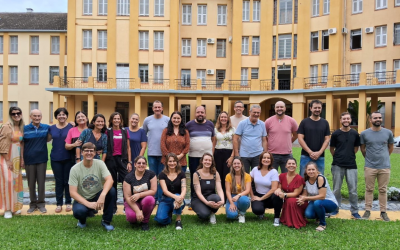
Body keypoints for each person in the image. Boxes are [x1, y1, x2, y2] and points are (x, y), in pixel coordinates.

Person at [69, 142, 116, 231]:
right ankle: (82, 221)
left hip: (97, 195)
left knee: (111, 191)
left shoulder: (100, 164)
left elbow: (110, 180)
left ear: (95, 153)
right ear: (82, 152)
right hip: (83, 197)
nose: (89, 153)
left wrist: (102, 196)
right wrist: (89, 204)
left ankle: (106, 221)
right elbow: (72, 193)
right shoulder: (74, 169)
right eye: (86, 151)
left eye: (91, 151)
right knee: (79, 212)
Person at [360, 111, 394, 222]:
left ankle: (383, 212)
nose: (378, 119)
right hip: (370, 166)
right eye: (375, 118)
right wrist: (370, 159)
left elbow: (390, 147)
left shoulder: (388, 133)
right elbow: (363, 149)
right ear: (370, 120)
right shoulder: (364, 133)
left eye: (379, 117)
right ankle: (367, 210)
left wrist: (384, 158)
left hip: (384, 166)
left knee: (383, 190)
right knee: (369, 189)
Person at [329, 112, 361, 219]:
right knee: (336, 189)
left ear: (350, 120)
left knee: (353, 190)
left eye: (348, 119)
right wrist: (339, 157)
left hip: (351, 165)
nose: (346, 120)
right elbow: (332, 148)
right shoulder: (336, 133)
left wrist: (349, 156)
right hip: (337, 164)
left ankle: (354, 211)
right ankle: (335, 208)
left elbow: (356, 148)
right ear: (340, 120)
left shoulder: (355, 134)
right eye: (344, 119)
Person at [23, 109, 50, 214]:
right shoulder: (24, 129)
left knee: (41, 182)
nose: (37, 118)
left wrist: (71, 123)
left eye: (39, 116)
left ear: (41, 117)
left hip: (42, 159)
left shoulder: (46, 128)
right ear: (30, 117)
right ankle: (33, 204)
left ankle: (41, 204)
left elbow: (59, 128)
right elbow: (21, 144)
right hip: (29, 160)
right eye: (34, 116)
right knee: (31, 183)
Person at [297, 162, 338, 232]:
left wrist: (306, 198)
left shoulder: (320, 178)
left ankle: (322, 224)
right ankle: (319, 217)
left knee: (318, 203)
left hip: (330, 202)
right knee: (309, 214)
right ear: (306, 171)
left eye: (313, 169)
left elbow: (322, 196)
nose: (311, 171)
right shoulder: (306, 181)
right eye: (309, 170)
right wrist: (301, 199)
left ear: (317, 170)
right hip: (316, 201)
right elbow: (305, 194)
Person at [142, 100, 170, 203]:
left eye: (159, 107)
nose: (157, 109)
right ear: (153, 108)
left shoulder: (168, 120)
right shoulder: (147, 120)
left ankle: (161, 197)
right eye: (155, 107)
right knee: (153, 177)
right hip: (152, 153)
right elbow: (143, 134)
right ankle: (153, 198)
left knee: (162, 176)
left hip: (164, 154)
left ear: (162, 108)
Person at [186, 106, 215, 201]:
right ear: (195, 113)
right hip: (193, 156)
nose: (200, 114)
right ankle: (194, 199)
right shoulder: (189, 125)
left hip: (207, 158)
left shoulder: (210, 124)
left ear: (205, 114)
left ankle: (209, 197)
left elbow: (213, 139)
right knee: (194, 177)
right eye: (198, 112)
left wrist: (212, 153)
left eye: (202, 112)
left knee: (208, 177)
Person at [105, 112, 132, 214]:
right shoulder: (108, 132)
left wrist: (129, 162)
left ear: (121, 120)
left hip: (122, 160)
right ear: (111, 120)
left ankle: (127, 206)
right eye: (114, 119)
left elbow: (128, 148)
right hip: (111, 160)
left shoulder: (125, 131)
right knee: (112, 184)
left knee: (126, 183)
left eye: (118, 118)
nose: (116, 120)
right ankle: (113, 207)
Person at [0, 107, 24, 218]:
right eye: (13, 113)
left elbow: (22, 144)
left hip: (17, 157)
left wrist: (22, 159)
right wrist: (7, 159)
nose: (16, 115)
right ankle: (7, 209)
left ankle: (15, 207)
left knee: (16, 182)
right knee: (7, 182)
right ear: (10, 115)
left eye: (18, 113)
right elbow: (2, 143)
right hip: (7, 157)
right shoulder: (6, 127)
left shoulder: (21, 126)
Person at [48, 108, 74, 213]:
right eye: (59, 115)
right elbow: (47, 139)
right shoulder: (51, 128)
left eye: (63, 114)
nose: (61, 116)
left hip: (68, 157)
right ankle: (59, 204)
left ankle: (68, 202)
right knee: (58, 181)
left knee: (67, 181)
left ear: (67, 116)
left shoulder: (71, 127)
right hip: (55, 158)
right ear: (56, 117)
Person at [297, 100, 330, 176]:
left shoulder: (325, 123)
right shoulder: (304, 122)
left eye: (319, 108)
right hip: (305, 156)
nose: (317, 110)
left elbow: (327, 139)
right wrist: (310, 152)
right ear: (310, 108)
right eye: (315, 108)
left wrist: (320, 152)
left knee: (319, 178)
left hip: (320, 156)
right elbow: (300, 138)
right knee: (303, 178)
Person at [123, 156, 157, 231]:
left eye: (143, 163)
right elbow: (127, 197)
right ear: (135, 164)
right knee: (132, 218)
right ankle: (135, 217)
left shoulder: (151, 174)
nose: (141, 165)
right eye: (139, 163)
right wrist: (137, 211)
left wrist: (139, 195)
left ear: (146, 165)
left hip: (145, 199)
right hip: (132, 201)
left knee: (150, 199)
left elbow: (153, 191)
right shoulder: (128, 177)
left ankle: (145, 222)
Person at [154, 153, 187, 230]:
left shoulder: (181, 173)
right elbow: (165, 191)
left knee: (178, 195)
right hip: (165, 199)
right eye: (170, 161)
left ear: (177, 162)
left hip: (179, 199)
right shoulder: (162, 174)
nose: (172, 163)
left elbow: (184, 188)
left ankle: (178, 220)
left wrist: (180, 197)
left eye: (174, 161)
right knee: (160, 220)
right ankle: (169, 215)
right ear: (166, 162)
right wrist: (175, 197)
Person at [250, 152, 283, 226]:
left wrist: (261, 199)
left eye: (268, 158)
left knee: (277, 196)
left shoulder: (273, 172)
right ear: (261, 160)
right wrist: (252, 196)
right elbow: (248, 183)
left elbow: (274, 189)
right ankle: (261, 212)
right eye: (264, 158)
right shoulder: (255, 169)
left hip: (270, 196)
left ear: (271, 160)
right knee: (257, 210)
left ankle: (276, 218)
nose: (266, 160)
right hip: (258, 194)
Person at [265, 101, 298, 173]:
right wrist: (270, 143)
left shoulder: (292, 121)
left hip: (287, 154)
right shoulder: (268, 121)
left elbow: (296, 135)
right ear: (274, 109)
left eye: (281, 107)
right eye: (277, 107)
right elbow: (264, 136)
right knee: (271, 177)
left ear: (285, 108)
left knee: (287, 177)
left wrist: (288, 141)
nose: (279, 108)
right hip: (272, 154)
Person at [274, 158, 308, 229]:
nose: (291, 165)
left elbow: (296, 193)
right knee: (280, 197)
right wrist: (278, 189)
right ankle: (285, 219)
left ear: (296, 166)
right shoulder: (282, 176)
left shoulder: (299, 178)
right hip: (287, 198)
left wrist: (285, 195)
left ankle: (295, 222)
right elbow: (279, 187)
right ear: (285, 166)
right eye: (289, 164)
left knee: (290, 200)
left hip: (299, 200)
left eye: (293, 164)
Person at [191, 153, 224, 224]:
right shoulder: (196, 174)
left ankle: (212, 213)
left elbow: (219, 189)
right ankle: (205, 210)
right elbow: (198, 193)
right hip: (198, 199)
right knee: (204, 215)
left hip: (211, 198)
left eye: (209, 160)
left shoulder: (215, 173)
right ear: (202, 161)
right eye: (206, 160)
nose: (207, 162)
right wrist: (207, 203)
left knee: (217, 198)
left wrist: (223, 201)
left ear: (212, 162)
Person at [233, 104, 267, 173]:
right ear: (250, 112)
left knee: (257, 176)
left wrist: (265, 154)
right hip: (244, 155)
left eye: (258, 113)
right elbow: (235, 139)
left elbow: (264, 140)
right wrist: (236, 154)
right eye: (254, 112)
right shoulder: (242, 123)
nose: (256, 114)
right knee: (244, 175)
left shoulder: (262, 124)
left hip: (258, 155)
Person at [213, 111, 235, 201]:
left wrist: (232, 157)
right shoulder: (215, 129)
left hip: (228, 153)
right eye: (221, 117)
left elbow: (235, 144)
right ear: (219, 118)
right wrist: (212, 157)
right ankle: (220, 197)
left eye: (225, 117)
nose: (223, 119)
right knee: (218, 176)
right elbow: (214, 143)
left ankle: (227, 198)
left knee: (227, 175)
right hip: (218, 153)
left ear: (228, 118)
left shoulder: (232, 129)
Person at [225, 157, 251, 223]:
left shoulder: (247, 176)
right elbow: (227, 191)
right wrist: (231, 203)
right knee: (231, 216)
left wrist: (238, 195)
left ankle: (242, 214)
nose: (236, 165)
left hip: (242, 196)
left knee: (244, 200)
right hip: (232, 197)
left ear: (241, 164)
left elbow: (247, 190)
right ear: (232, 165)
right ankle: (236, 211)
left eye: (238, 163)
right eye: (234, 164)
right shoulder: (228, 176)